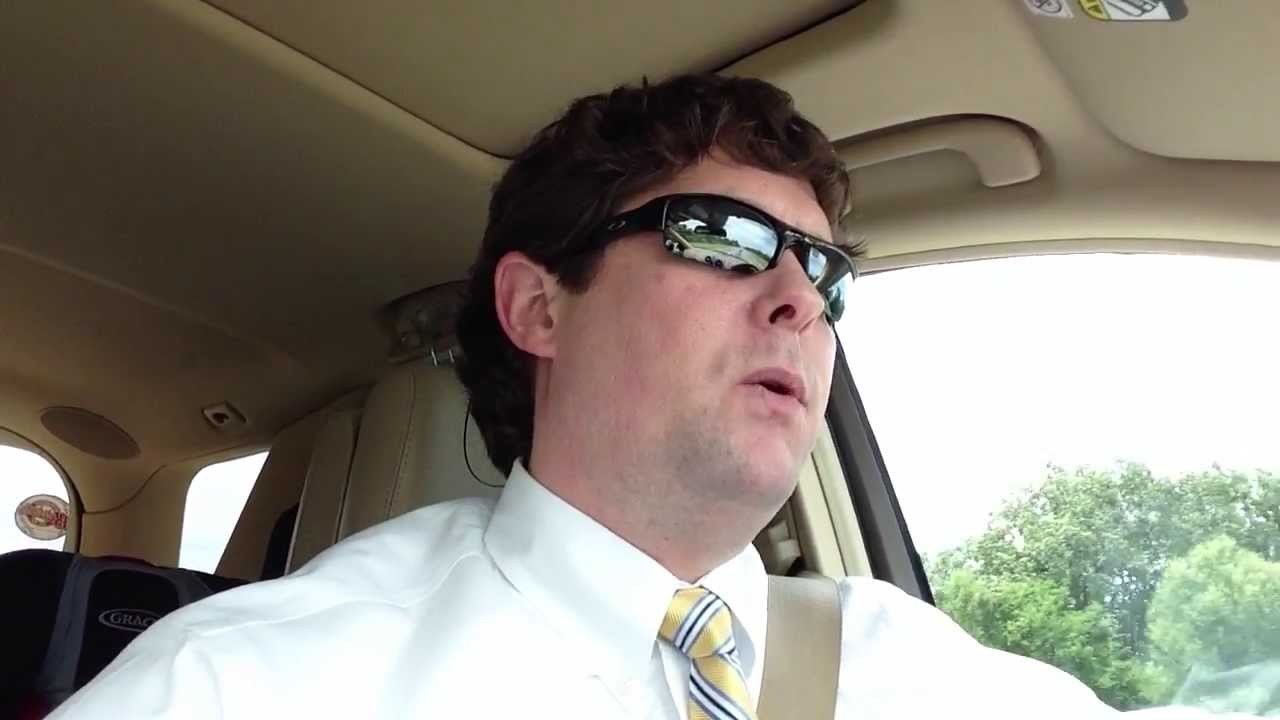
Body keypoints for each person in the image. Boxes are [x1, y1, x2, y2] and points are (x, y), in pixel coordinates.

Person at [50, 74, 1251, 719]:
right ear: (539, 308)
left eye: (825, 270)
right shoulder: (248, 685)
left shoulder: (911, 666)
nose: (800, 299)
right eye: (722, 237)